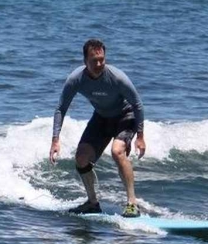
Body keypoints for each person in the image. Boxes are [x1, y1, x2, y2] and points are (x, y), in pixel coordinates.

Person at [49, 38, 146, 217]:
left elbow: (138, 104)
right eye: (94, 60)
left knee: (117, 151)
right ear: (85, 61)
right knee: (81, 159)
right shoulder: (76, 79)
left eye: (102, 59)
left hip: (126, 116)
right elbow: (61, 108)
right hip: (101, 117)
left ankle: (132, 203)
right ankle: (92, 203)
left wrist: (140, 136)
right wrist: (55, 139)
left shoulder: (117, 77)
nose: (100, 63)